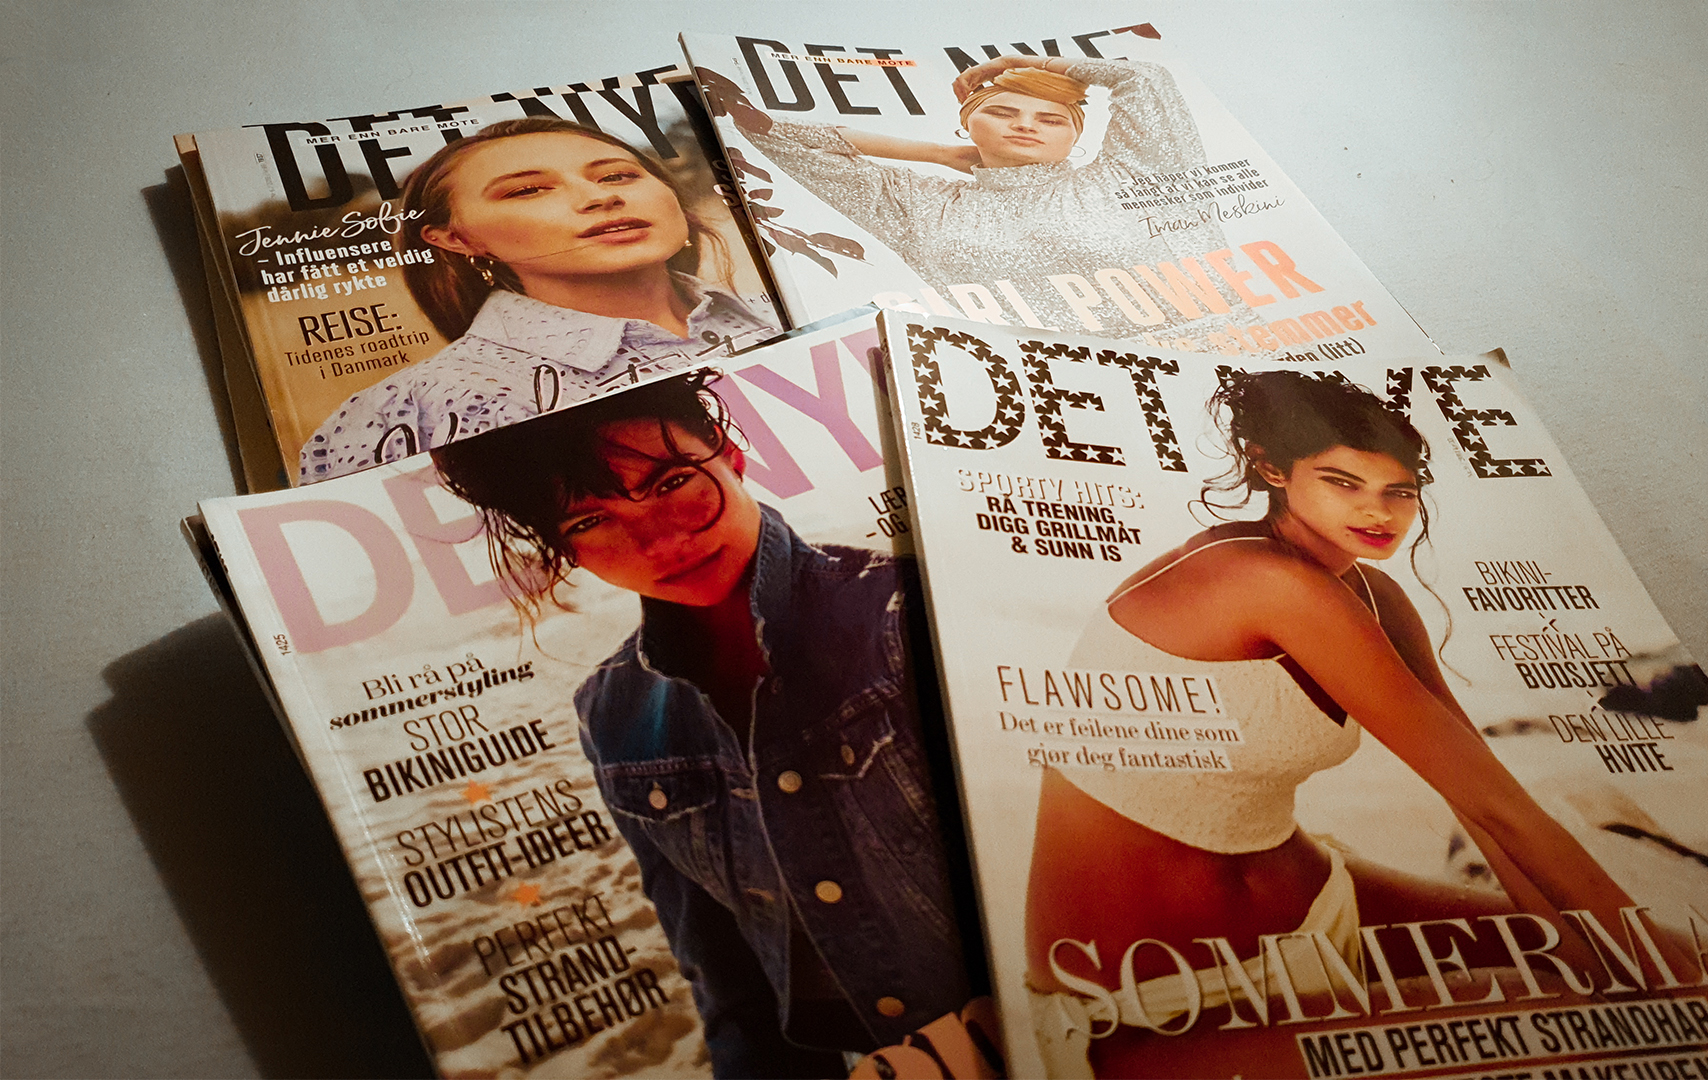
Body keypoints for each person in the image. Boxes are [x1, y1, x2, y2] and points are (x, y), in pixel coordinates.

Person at [1024, 371, 1708, 1078]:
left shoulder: (1374, 596)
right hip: (1158, 1010)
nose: (1377, 513)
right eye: (1342, 483)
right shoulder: (1259, 579)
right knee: (1605, 1023)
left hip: (1328, 908)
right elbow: (1502, 818)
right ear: (1270, 468)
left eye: (1398, 492)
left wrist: (1644, 980)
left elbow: (1489, 808)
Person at [431, 373, 976, 1078]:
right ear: (564, 550)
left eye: (670, 482)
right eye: (589, 522)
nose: (660, 542)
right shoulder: (613, 714)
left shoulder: (910, 609)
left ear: (729, 452)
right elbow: (728, 982)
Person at [299, 117, 778, 484]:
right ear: (456, 239)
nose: (599, 198)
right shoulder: (400, 412)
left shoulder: (781, 314)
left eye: (617, 176)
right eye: (528, 190)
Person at [700, 55, 1266, 345]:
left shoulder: (1133, 171)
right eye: (1002, 111)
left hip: (1225, 360)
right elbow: (767, 131)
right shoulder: (923, 204)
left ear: (1075, 136)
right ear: (968, 124)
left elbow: (1145, 79)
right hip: (1061, 390)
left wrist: (1029, 67)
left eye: (1050, 119)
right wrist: (935, 154)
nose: (1026, 125)